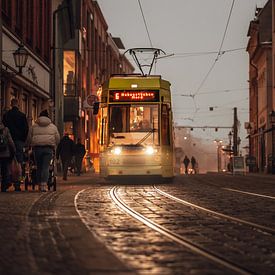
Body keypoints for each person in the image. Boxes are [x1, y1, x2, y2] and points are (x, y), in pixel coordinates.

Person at [27, 110, 60, 192]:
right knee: (46, 167)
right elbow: (57, 138)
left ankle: (39, 184)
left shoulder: (34, 126)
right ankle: (44, 185)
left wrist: (29, 145)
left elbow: (29, 138)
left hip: (37, 148)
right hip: (48, 148)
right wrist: (54, 144)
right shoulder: (53, 127)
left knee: (39, 167)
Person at [3, 98, 29, 191]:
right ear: (18, 104)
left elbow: (4, 128)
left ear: (11, 104)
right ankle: (17, 184)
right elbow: (26, 129)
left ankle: (6, 182)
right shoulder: (22, 116)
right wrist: (23, 140)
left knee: (7, 161)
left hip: (7, 142)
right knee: (19, 161)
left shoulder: (6, 115)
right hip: (19, 141)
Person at [0, 122, 16, 192]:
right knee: (4, 170)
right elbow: (10, 141)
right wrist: (14, 149)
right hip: (4, 153)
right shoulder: (5, 129)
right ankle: (3, 186)